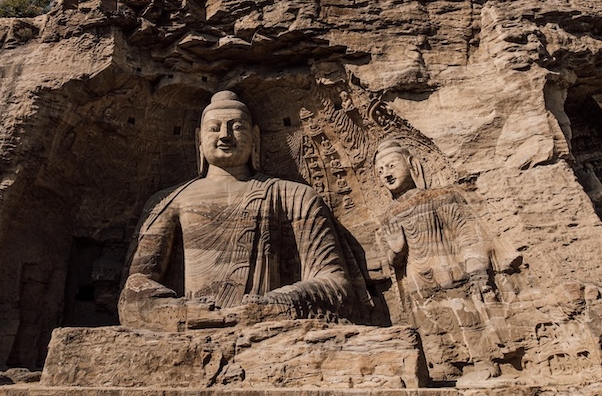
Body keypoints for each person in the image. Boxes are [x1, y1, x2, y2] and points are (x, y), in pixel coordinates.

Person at [119, 91, 368, 331]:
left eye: (237, 127)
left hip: (272, 331)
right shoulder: (169, 201)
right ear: (199, 140)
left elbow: (337, 285)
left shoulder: (295, 197)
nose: (225, 136)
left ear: (255, 137)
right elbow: (134, 292)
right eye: (214, 128)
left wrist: (275, 303)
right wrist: (183, 311)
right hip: (192, 327)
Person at [375, 138, 500, 382]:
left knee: (467, 318)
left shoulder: (439, 196)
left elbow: (464, 230)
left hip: (449, 270)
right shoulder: (389, 214)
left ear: (412, 165)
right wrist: (396, 251)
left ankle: (484, 361)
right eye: (380, 172)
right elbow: (391, 261)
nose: (386, 175)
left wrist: (474, 262)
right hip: (418, 281)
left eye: (391, 166)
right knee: (431, 326)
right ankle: (445, 365)